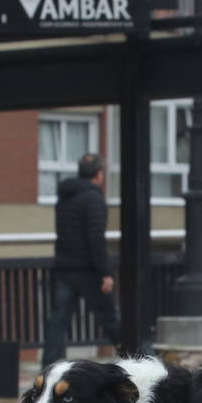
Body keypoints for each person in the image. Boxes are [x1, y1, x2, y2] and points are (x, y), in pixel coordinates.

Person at [42, 153, 121, 367]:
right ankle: (138, 359)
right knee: (110, 318)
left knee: (58, 323)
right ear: (98, 175)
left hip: (64, 268)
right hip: (88, 271)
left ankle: (48, 370)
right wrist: (105, 272)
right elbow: (95, 237)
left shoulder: (65, 197)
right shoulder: (94, 199)